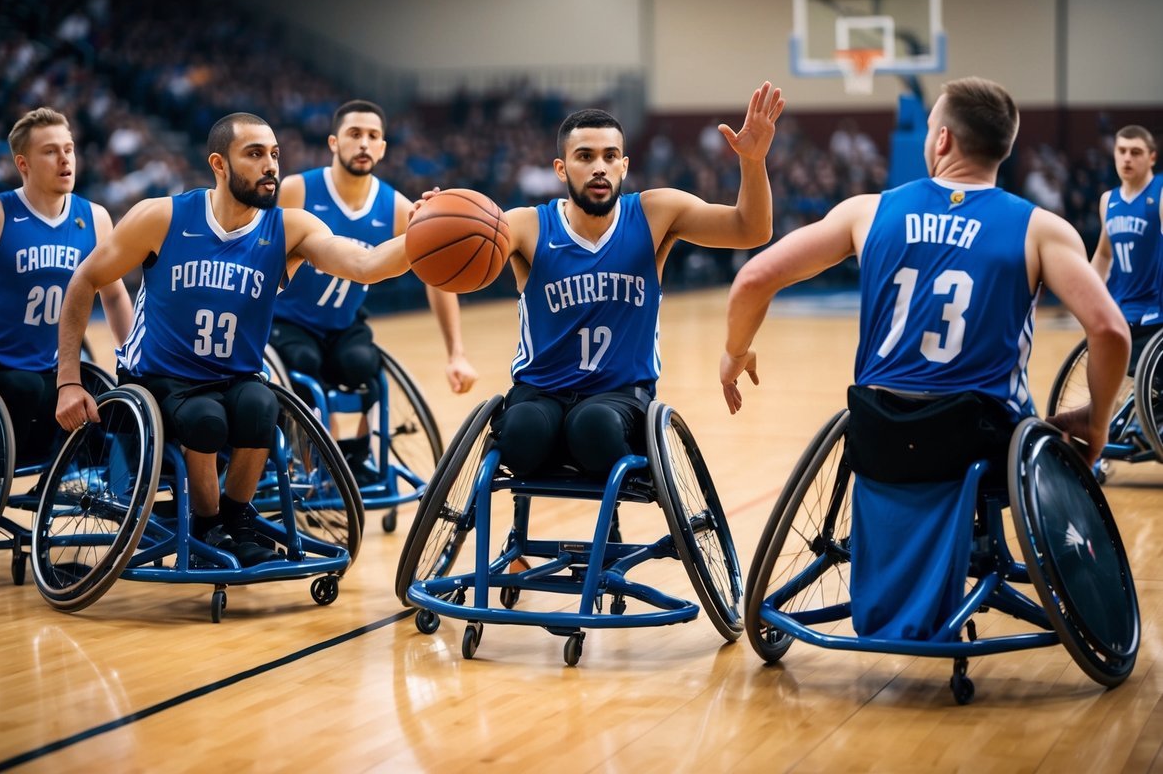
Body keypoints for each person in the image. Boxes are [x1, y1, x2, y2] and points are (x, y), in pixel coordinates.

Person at [718, 77, 1130, 640]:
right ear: (1002, 147)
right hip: (980, 443)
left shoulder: (869, 212)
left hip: (878, 434)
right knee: (1018, 413)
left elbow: (752, 279)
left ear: (941, 140)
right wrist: (1098, 422)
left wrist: (735, 353)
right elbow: (1109, 331)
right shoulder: (1041, 229)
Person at [54, 112, 410, 566]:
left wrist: (419, 236)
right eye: (255, 154)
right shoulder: (162, 217)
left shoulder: (290, 228)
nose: (271, 167)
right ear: (219, 164)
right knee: (205, 419)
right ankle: (207, 523)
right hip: (159, 377)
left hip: (236, 376)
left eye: (275, 155)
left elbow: (366, 265)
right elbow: (84, 280)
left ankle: (237, 518)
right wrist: (69, 378)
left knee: (264, 406)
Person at [464, 82, 784, 478]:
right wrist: (429, 224)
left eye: (609, 156)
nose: (599, 166)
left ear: (624, 166)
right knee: (521, 434)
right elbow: (455, 247)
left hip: (621, 397)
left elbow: (750, 230)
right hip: (540, 392)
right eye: (585, 156)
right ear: (561, 168)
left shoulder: (655, 213)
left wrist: (753, 162)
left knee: (593, 426)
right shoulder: (528, 225)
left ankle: (606, 516)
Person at [272, 100, 478, 474]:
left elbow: (436, 280)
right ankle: (308, 458)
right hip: (288, 322)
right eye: (354, 134)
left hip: (344, 323)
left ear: (383, 148)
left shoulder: (399, 208)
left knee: (364, 365)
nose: (364, 143)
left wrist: (456, 353)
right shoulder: (297, 189)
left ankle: (360, 454)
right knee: (303, 363)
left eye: (373, 136)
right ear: (334, 143)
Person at [0, 107, 132, 464]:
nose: (65, 159)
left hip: (53, 371)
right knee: (26, 387)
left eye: (69, 148)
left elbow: (113, 295)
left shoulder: (94, 218)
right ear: (23, 164)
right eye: (50, 151)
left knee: (113, 398)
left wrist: (135, 361)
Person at [1088, 125, 1163, 368]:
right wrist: (1086, 294)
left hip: (1154, 311)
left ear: (1152, 157)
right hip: (1120, 308)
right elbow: (1103, 253)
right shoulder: (1108, 200)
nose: (1127, 158)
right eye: (1122, 151)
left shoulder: (1160, 193)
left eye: (1136, 152)